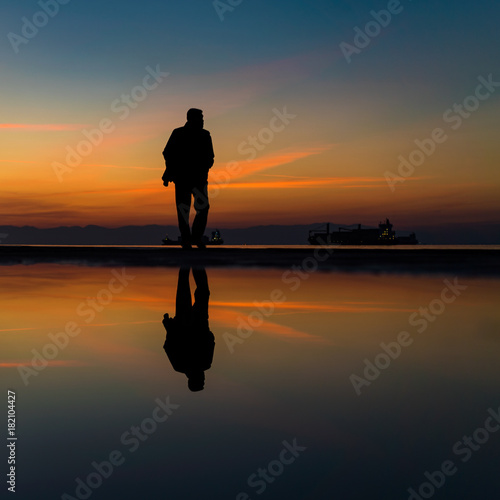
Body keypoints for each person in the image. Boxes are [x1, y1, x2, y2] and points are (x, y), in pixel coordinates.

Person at [162, 108, 215, 249]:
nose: (203, 121)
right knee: (183, 209)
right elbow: (168, 153)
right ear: (192, 119)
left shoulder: (205, 135)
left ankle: (195, 237)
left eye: (203, 118)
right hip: (183, 178)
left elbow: (210, 156)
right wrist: (172, 170)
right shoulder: (178, 133)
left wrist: (205, 167)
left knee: (202, 208)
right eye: (200, 118)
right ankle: (187, 238)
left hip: (198, 179)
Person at [162, 267, 215, 392]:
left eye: (201, 380)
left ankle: (192, 257)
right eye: (203, 380)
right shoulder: (203, 364)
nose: (203, 377)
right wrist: (169, 328)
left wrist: (169, 328)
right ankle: (197, 261)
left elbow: (169, 346)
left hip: (186, 321)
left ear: (192, 380)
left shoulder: (181, 365)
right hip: (196, 321)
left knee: (185, 287)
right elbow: (210, 341)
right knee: (196, 289)